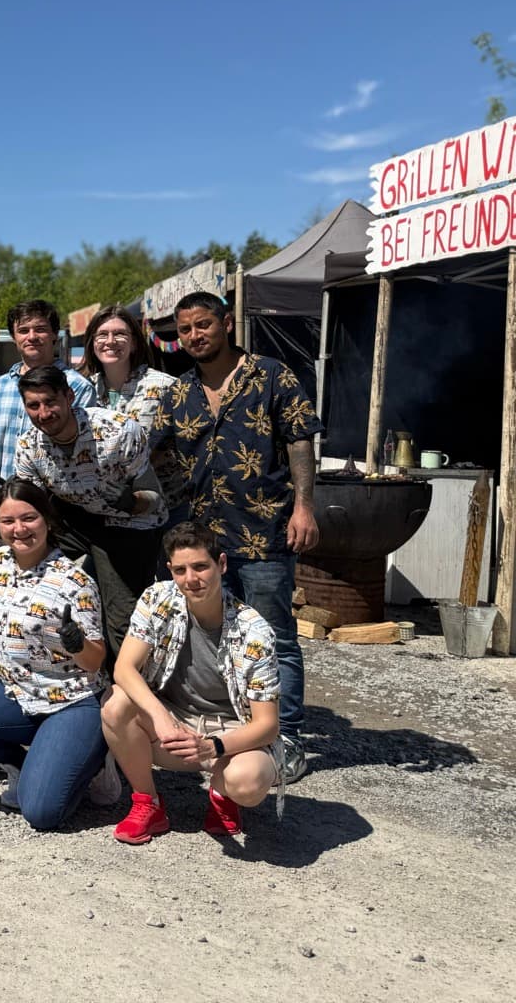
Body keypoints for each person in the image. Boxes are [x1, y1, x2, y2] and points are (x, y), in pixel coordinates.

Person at [151, 291, 321, 782]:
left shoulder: (270, 375)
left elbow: (300, 437)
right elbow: (155, 452)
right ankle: (223, 728)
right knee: (202, 636)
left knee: (274, 637)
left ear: (226, 323)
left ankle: (285, 738)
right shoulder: (178, 392)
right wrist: (168, 496)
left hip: (263, 530)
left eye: (202, 325)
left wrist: (305, 506)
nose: (194, 336)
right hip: (200, 542)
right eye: (185, 330)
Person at [0, 479, 117, 831]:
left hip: (72, 700)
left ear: (47, 519)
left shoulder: (74, 581)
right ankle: (25, 764)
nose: (19, 529)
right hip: (17, 693)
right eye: (8, 521)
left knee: (41, 813)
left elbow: (95, 662)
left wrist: (77, 642)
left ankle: (94, 762)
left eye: (29, 518)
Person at [100, 523, 281, 844]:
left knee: (249, 781)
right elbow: (124, 668)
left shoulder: (254, 631)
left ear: (221, 565)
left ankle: (224, 794)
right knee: (116, 704)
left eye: (200, 567)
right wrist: (160, 716)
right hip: (172, 725)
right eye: (180, 570)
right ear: (169, 570)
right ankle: (148, 803)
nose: (191, 579)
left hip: (229, 735)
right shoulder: (157, 598)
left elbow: (268, 726)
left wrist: (215, 746)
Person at [13, 364, 164, 658]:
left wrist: (131, 501)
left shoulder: (119, 431)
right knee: (31, 582)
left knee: (121, 616)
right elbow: (30, 505)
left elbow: (155, 499)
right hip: (75, 519)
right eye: (34, 406)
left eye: (50, 402)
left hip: (129, 523)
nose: (43, 413)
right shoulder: (29, 446)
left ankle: (131, 689)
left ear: (69, 397)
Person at [0, 299, 95, 516]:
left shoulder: (77, 387)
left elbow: (82, 456)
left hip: (54, 515)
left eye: (40, 329)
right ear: (14, 337)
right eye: (23, 330)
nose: (31, 337)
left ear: (54, 335)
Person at [76, 304, 184, 508]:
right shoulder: (84, 390)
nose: (110, 341)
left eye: (119, 334)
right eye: (102, 334)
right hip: (103, 509)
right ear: (92, 343)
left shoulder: (165, 386)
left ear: (134, 342)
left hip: (164, 507)